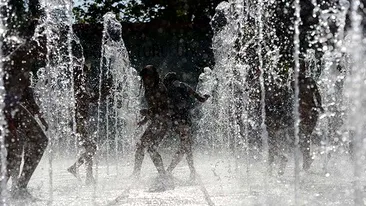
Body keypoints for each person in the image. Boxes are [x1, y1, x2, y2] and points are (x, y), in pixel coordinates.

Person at [3, 40, 49, 199]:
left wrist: (38, 114)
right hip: (6, 105)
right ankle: (16, 188)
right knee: (16, 149)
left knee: (36, 142)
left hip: (12, 106)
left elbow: (26, 89)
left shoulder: (25, 57)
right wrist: (9, 120)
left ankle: (18, 187)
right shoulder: (19, 56)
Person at [163, 72, 209, 181]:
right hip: (185, 120)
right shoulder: (184, 85)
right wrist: (207, 95)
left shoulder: (167, 89)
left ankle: (192, 172)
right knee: (185, 146)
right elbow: (201, 99)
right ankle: (169, 171)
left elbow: (164, 106)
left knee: (186, 146)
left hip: (176, 120)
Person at [132, 65, 172, 190]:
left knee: (151, 148)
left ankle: (163, 176)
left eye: (148, 77)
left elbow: (162, 109)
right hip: (156, 122)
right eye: (144, 77)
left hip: (163, 122)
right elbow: (154, 110)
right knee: (141, 146)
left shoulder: (159, 89)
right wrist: (145, 120)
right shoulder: (150, 89)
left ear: (154, 76)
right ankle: (136, 174)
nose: (146, 80)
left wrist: (147, 112)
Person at [67, 64, 98, 185]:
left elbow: (87, 100)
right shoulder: (78, 87)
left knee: (91, 148)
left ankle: (76, 168)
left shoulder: (80, 86)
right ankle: (88, 176)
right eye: (84, 73)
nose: (86, 75)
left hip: (80, 121)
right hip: (79, 122)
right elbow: (82, 101)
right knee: (91, 148)